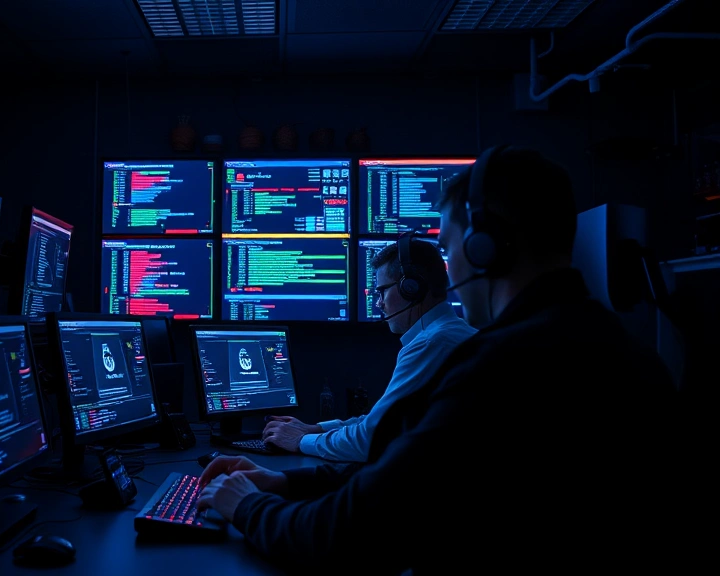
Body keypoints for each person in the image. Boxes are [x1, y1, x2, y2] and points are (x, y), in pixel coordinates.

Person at [196, 145, 684, 573]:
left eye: (451, 250)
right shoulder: (624, 353)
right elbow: (408, 469)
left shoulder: (501, 369)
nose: (449, 272)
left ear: (485, 247)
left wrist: (248, 505)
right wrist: (284, 481)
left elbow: (352, 533)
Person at [262, 236, 476, 461]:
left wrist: (298, 441)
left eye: (382, 291)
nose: (378, 303)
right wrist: (315, 429)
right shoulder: (449, 334)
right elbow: (381, 421)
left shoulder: (432, 344)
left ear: (411, 288)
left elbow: (370, 439)